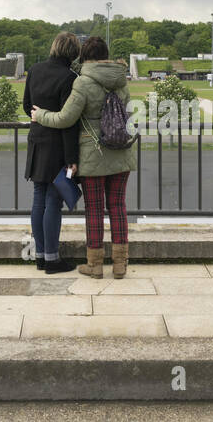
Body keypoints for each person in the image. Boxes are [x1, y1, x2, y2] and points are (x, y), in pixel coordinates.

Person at [30, 36, 137, 278]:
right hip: (122, 153)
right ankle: (120, 265)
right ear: (106, 54)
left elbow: (66, 118)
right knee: (118, 207)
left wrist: (42, 115)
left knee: (95, 210)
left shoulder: (83, 82)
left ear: (85, 58)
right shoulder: (122, 81)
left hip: (92, 155)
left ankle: (95, 265)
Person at [21, 31, 82, 274]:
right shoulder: (70, 77)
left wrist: (40, 120)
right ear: (73, 52)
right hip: (57, 147)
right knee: (53, 202)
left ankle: (40, 256)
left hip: (36, 142)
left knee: (38, 199)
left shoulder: (35, 70)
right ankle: (52, 260)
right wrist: (71, 159)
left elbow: (28, 107)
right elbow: (68, 122)